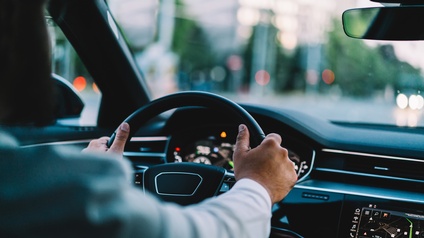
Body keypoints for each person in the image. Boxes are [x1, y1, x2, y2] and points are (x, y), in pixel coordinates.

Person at [0, 0, 297, 237]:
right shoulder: (64, 193)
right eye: (41, 14)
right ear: (12, 32)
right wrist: (259, 185)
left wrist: (83, 174)